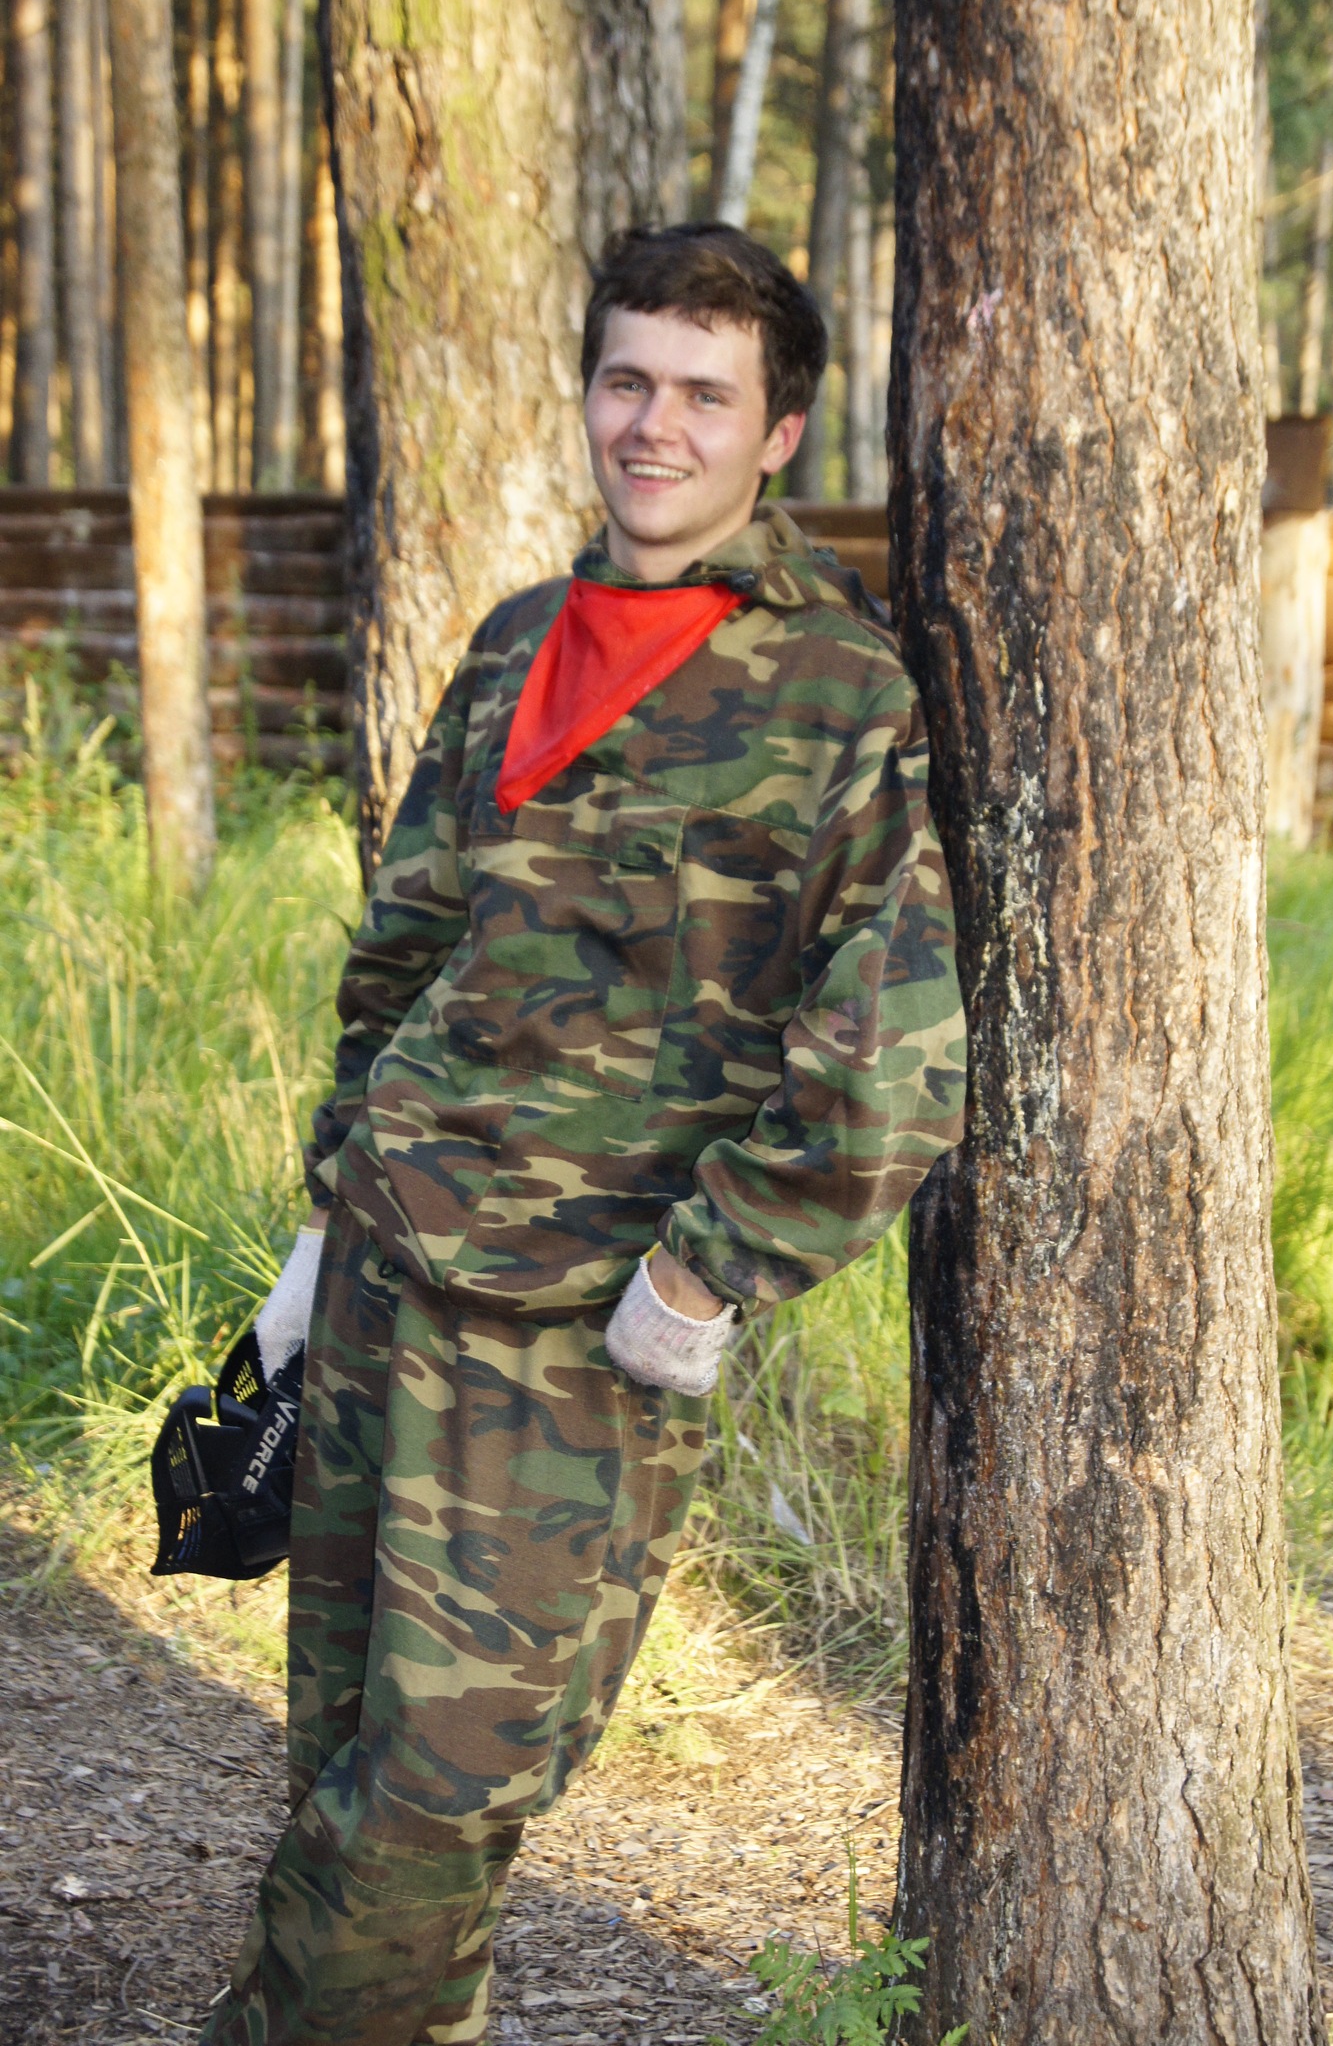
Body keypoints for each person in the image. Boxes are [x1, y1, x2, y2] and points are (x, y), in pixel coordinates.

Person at [202, 221, 967, 2046]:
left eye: (704, 393)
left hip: (572, 1333)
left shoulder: (835, 693)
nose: (654, 425)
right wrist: (323, 1217)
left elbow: (898, 1043)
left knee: (445, 1787)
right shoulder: (512, 646)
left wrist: (709, 1278)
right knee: (339, 1747)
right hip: (385, 1275)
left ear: (778, 433)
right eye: (628, 379)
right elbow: (406, 951)